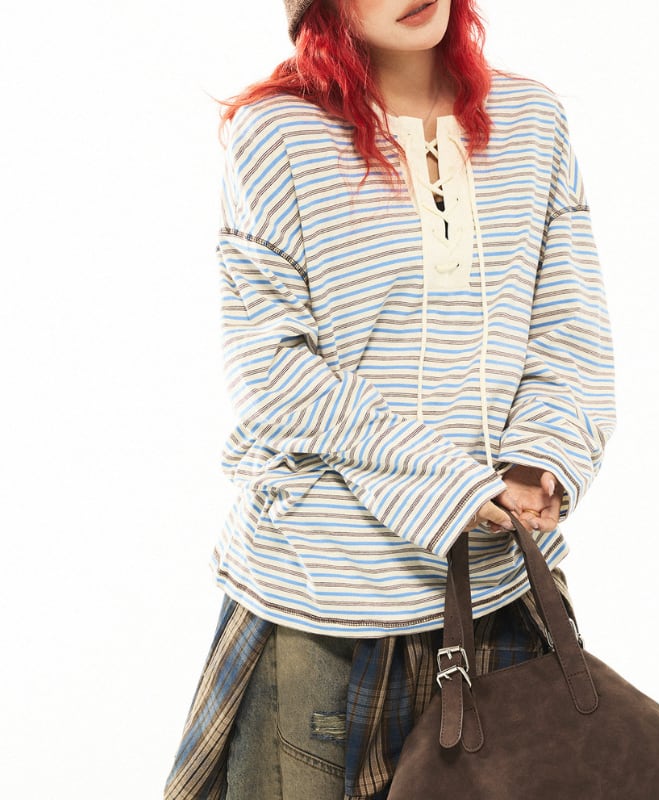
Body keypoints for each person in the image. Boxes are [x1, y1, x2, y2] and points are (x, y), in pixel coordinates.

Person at [165, 0, 615, 797]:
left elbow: (569, 326)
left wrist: (542, 457)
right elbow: (273, 375)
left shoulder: (532, 120)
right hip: (324, 601)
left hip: (499, 592)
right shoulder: (279, 135)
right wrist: (451, 483)